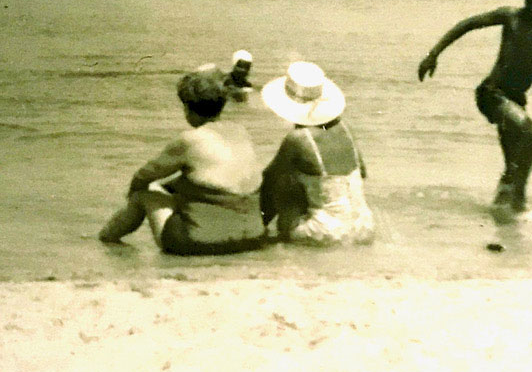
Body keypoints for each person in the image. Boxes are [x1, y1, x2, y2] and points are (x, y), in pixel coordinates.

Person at [417, 0, 532, 213]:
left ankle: (503, 213)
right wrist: (432, 54)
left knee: (512, 167)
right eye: (530, 2)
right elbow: (468, 25)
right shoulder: (511, 17)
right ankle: (519, 201)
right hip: (491, 94)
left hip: (516, 102)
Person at [99, 66, 268, 255]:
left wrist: (132, 197)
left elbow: (142, 177)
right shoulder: (241, 132)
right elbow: (217, 182)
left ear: (187, 108)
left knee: (144, 194)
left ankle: (106, 241)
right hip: (253, 238)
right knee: (183, 190)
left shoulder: (189, 140)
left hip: (201, 242)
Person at [259, 61, 374, 245]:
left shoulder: (298, 139)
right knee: (304, 178)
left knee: (284, 183)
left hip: (326, 232)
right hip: (364, 226)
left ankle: (261, 235)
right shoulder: (346, 129)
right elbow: (363, 173)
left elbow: (270, 180)